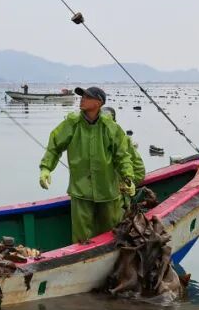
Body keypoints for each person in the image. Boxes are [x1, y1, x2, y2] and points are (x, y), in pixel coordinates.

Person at [39, 86, 136, 243]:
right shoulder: (72, 124)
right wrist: (46, 168)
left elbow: (122, 156)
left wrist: (128, 178)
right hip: (80, 191)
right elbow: (55, 146)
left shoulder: (111, 127)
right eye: (82, 96)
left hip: (108, 192)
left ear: (99, 102)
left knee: (111, 234)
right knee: (81, 238)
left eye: (87, 96)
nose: (82, 99)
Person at [103, 106, 146, 186]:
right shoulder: (92, 141)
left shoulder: (123, 139)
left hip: (118, 190)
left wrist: (128, 185)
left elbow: (139, 170)